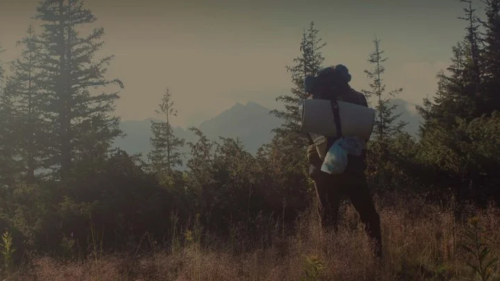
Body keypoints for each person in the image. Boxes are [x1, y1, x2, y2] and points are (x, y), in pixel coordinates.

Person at [305, 64, 382, 258]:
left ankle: (331, 265)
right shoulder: (357, 98)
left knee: (328, 220)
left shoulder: (313, 101)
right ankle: (377, 260)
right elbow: (365, 133)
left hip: (323, 169)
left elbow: (309, 135)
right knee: (369, 216)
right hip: (352, 167)